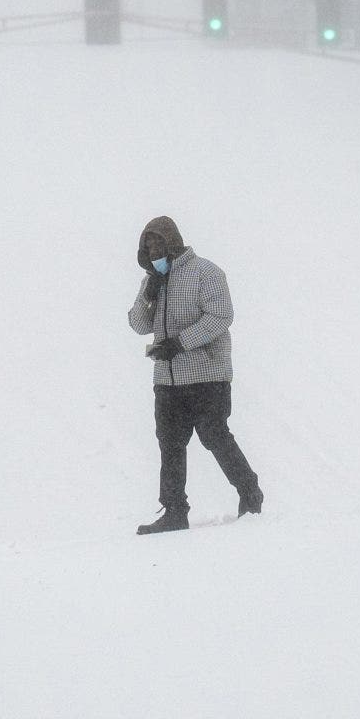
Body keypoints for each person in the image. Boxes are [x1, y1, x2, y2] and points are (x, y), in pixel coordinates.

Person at [126, 215, 263, 534]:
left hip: (207, 376)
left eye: (158, 243)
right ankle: (174, 511)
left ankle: (250, 494)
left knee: (214, 434)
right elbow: (138, 325)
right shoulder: (152, 281)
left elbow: (221, 317)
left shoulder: (206, 272)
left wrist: (180, 343)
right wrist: (148, 293)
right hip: (167, 381)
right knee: (169, 443)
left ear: (173, 241)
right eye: (148, 245)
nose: (154, 250)